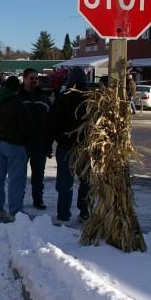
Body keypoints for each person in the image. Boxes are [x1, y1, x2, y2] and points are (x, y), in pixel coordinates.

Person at [0, 75, 35, 219]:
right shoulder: (17, 104)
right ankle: (15, 211)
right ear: (16, 89)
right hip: (15, 145)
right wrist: (26, 139)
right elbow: (27, 127)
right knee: (16, 179)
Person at [49, 65, 90, 223]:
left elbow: (52, 123)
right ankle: (85, 211)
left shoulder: (62, 98)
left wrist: (48, 144)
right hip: (86, 148)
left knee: (66, 182)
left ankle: (64, 214)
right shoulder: (91, 99)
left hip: (66, 147)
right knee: (86, 181)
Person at [18, 68, 52, 210]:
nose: (34, 81)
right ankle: (17, 201)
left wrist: (48, 144)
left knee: (38, 175)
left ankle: (38, 200)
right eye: (31, 78)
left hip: (39, 143)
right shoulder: (17, 97)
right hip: (21, 144)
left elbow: (51, 123)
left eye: (36, 78)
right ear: (24, 79)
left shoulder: (43, 98)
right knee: (19, 175)